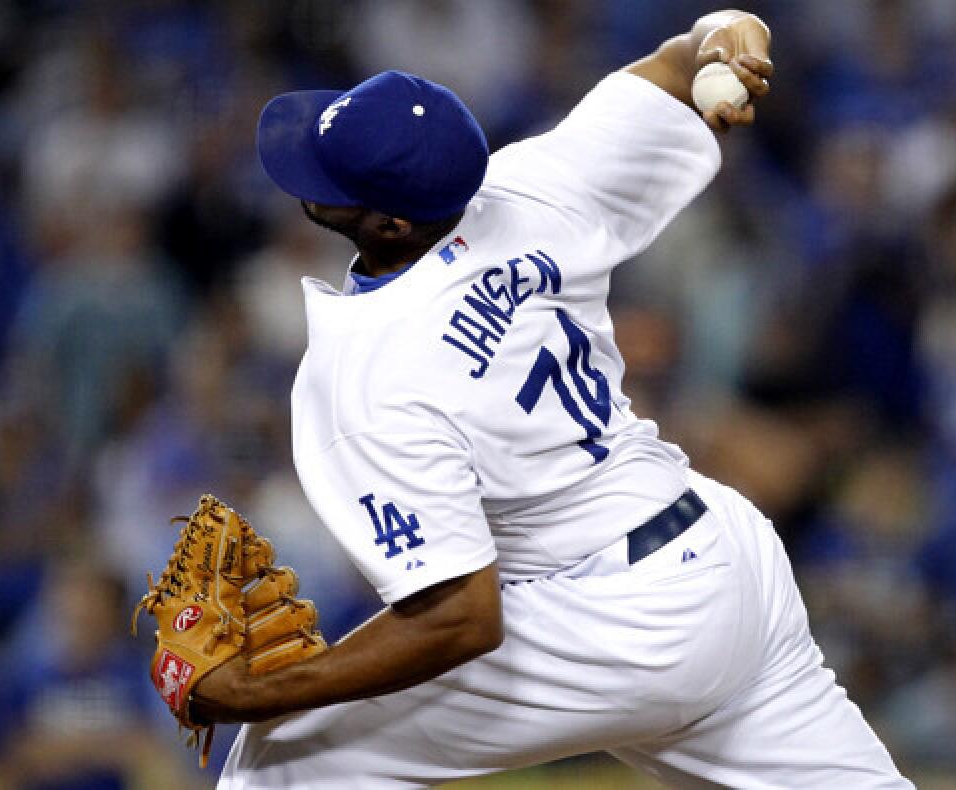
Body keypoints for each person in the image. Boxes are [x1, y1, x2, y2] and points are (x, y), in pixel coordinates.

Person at [196, 9, 913, 788]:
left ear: (392, 222)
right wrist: (732, 39)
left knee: (283, 757)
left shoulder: (365, 375)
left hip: (613, 618)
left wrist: (259, 691)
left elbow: (459, 619)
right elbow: (689, 53)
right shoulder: (532, 186)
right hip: (725, 560)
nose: (307, 175)